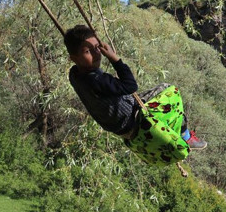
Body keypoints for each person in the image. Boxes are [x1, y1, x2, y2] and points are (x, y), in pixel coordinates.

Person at [64, 25, 207, 151]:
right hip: (133, 119)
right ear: (74, 58)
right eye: (87, 51)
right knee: (168, 89)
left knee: (156, 97)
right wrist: (115, 59)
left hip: (119, 126)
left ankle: (175, 132)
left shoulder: (74, 74)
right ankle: (186, 137)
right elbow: (131, 86)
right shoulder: (96, 80)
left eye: (97, 48)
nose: (96, 54)